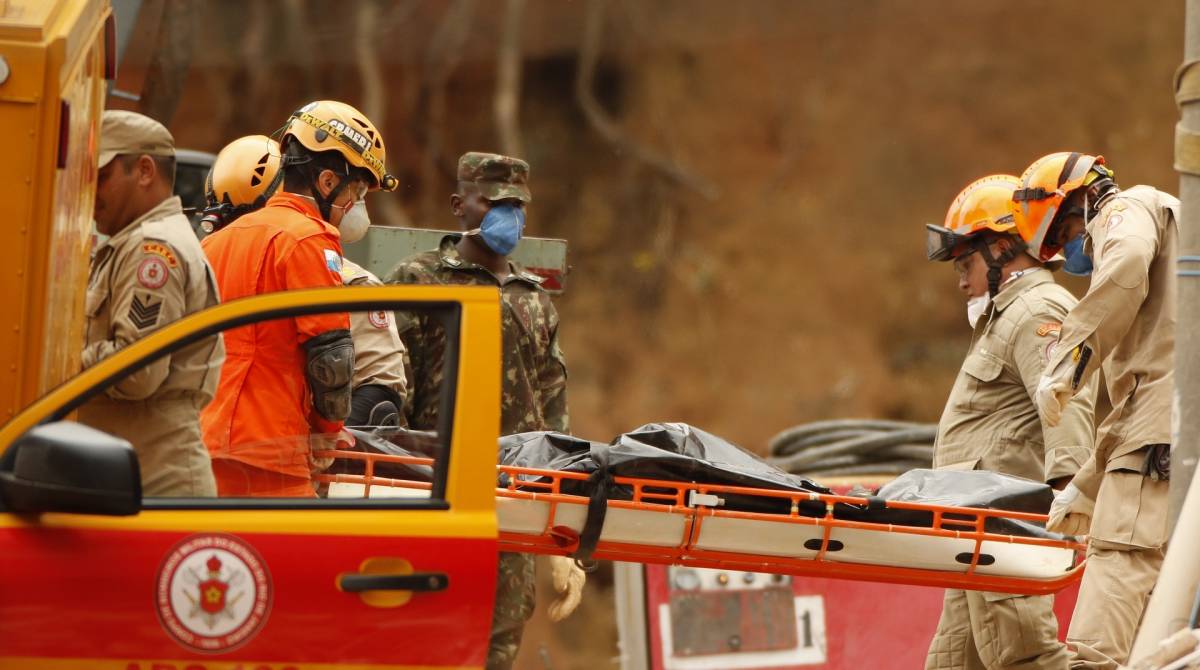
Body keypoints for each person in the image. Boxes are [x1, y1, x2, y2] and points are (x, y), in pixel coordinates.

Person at [386, 151, 579, 669]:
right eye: (493, 203)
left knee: (501, 634)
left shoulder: (534, 300)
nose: (507, 217)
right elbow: (389, 390)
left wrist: (563, 540)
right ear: (459, 205)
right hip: (435, 494)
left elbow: (554, 421)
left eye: (516, 205)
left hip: (511, 500)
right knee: (425, 634)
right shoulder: (419, 280)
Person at [1010, 152, 1178, 669]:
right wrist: (1087, 486)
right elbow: (1141, 401)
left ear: (1077, 205)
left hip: (1160, 448)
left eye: (1061, 240)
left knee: (1109, 603)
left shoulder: (1125, 208)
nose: (1068, 258)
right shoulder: (1175, 241)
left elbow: (1123, 264)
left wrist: (1068, 360)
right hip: (1168, 442)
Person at [922, 174, 1097, 670]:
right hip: (971, 527)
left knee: (1025, 660)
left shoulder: (1039, 309)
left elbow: (1068, 402)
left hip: (1003, 527)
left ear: (1001, 248)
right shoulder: (1004, 318)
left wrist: (1069, 498)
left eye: (966, 263)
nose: (961, 281)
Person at [200, 101, 398, 497]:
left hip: (205, 446)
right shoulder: (309, 239)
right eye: (357, 191)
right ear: (327, 182)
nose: (355, 205)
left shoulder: (217, 242)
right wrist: (327, 433)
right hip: (270, 456)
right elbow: (331, 356)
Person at [79, 110, 224, 497]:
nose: (90, 188)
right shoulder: (133, 243)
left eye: (102, 175)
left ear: (144, 171)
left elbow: (136, 371)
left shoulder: (152, 250)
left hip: (154, 484)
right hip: (130, 475)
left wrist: (62, 361)